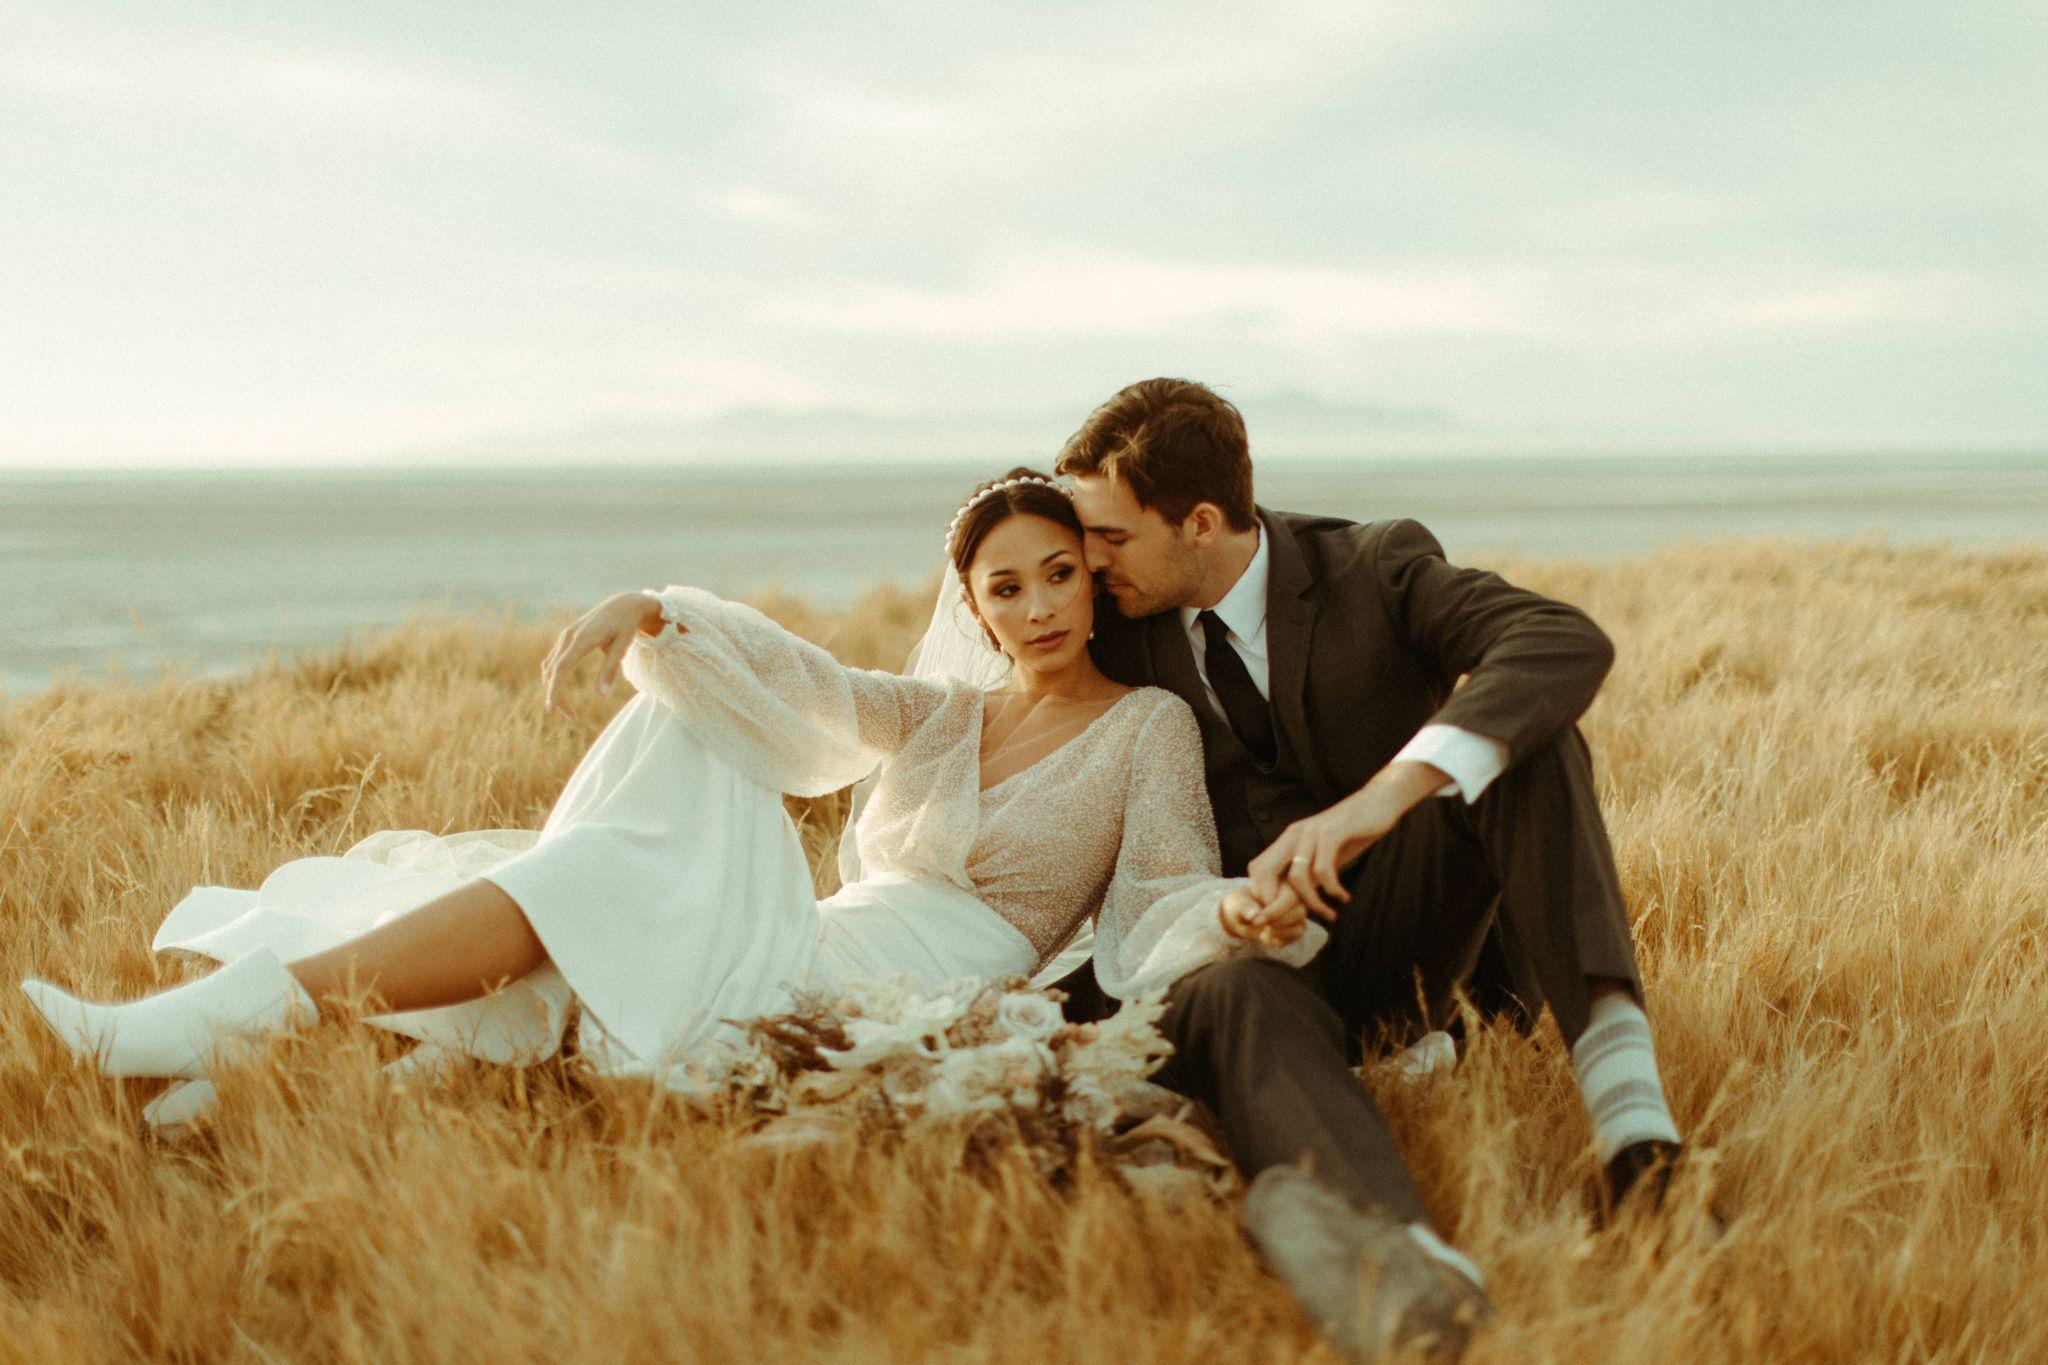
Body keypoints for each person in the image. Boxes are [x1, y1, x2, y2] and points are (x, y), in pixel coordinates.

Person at [21, 469, 1329, 1131]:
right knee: (670, 741)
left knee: (595, 885)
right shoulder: (941, 712)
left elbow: (1160, 894)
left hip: (921, 984)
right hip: (834, 931)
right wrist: (655, 612)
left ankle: (206, 1027)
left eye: (1059, 575)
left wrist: (1241, 921)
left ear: (1094, 585)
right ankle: (224, 1054)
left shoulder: (1147, 724)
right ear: (972, 605)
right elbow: (806, 685)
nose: (1038, 606)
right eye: (1006, 586)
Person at [1048, 378, 1697, 1359]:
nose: (1089, 564)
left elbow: (1559, 640)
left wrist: (1375, 804)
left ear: (1201, 522)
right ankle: (1397, 1267)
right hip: (1238, 963)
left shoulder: (1372, 566)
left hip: (1398, 936)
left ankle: (1635, 1141)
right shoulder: (1109, 623)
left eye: (1110, 538)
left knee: (1532, 748)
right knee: (1235, 995)